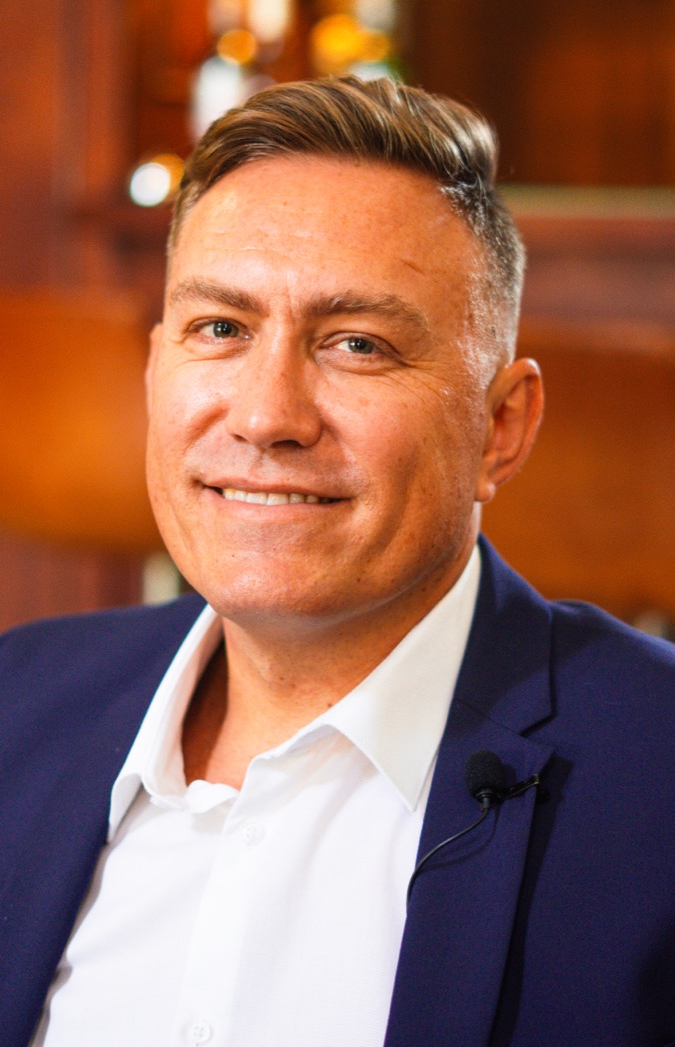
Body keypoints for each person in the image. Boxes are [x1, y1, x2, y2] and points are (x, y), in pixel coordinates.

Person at [1, 77, 673, 1047]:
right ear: (156, 376)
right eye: (220, 330)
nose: (268, 415)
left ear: (500, 426)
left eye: (357, 344)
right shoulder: (19, 705)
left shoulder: (656, 784)